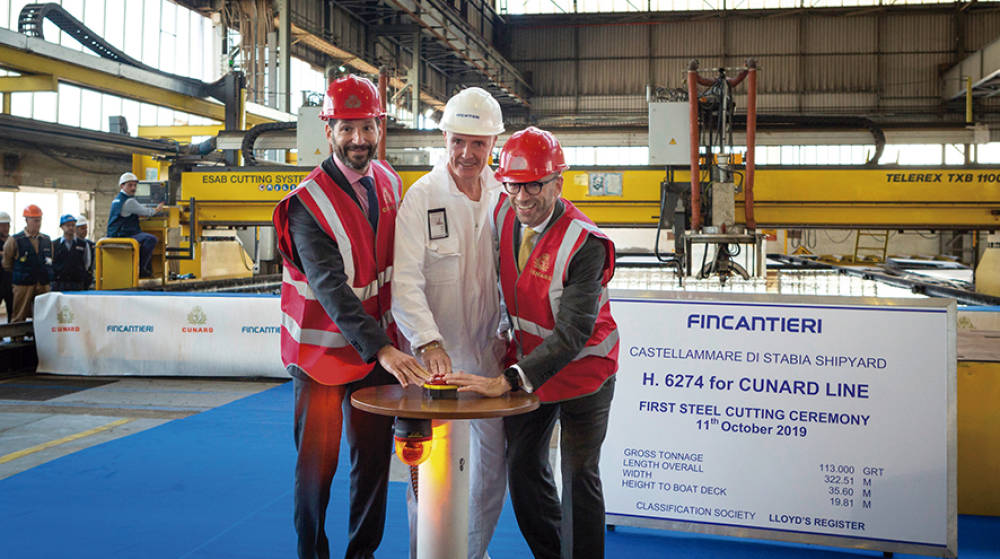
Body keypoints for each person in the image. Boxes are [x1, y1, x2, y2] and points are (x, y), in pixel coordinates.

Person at [272, 74, 429, 559]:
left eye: (366, 127)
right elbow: (331, 289)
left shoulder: (388, 182)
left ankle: (362, 554)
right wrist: (383, 347)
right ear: (329, 131)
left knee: (374, 462)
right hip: (320, 356)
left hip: (374, 353)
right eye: (346, 129)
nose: (358, 139)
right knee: (316, 469)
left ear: (379, 126)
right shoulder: (305, 205)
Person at [447, 127, 620, 559]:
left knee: (579, 474)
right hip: (531, 372)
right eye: (513, 185)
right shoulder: (503, 217)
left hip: (585, 374)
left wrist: (507, 379)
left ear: (558, 183)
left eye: (534, 186)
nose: (523, 197)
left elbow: (573, 333)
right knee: (522, 467)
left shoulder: (586, 244)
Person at [391, 87, 507, 559]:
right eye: (458, 141)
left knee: (490, 470)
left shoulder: (503, 196)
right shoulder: (421, 197)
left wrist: (507, 337)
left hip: (487, 361)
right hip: (434, 365)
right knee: (432, 476)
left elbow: (511, 276)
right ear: (444, 138)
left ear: (493, 145)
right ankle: (430, 554)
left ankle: (472, 553)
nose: (467, 153)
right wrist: (427, 340)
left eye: (478, 143)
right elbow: (406, 281)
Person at [106, 172, 164, 277]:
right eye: (130, 185)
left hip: (115, 233)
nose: (133, 188)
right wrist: (158, 209)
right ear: (122, 186)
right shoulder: (129, 202)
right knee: (151, 239)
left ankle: (144, 267)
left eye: (135, 185)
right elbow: (148, 212)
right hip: (123, 235)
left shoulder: (117, 200)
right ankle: (141, 268)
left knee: (144, 237)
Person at [2, 205, 53, 323]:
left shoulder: (46, 240)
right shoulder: (15, 240)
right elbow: (7, 263)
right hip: (23, 284)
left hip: (43, 283)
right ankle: (17, 338)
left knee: (44, 314)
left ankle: (40, 337)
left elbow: (50, 259)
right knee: (19, 314)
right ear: (27, 220)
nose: (38, 223)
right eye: (35, 220)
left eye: (39, 220)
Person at [52, 214, 91, 291]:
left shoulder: (82, 244)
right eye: (68, 225)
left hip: (77, 283)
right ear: (62, 227)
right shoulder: (54, 244)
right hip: (59, 283)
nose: (71, 228)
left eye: (73, 225)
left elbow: (87, 262)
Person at [75, 215, 96, 288]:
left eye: (86, 228)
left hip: (88, 278)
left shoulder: (90, 244)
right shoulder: (73, 245)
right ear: (75, 229)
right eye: (82, 228)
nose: (85, 231)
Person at [0, 211, 12, 321]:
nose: (5, 228)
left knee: (12, 309)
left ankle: (14, 335)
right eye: (2, 225)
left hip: (10, 281)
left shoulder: (13, 241)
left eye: (7, 225)